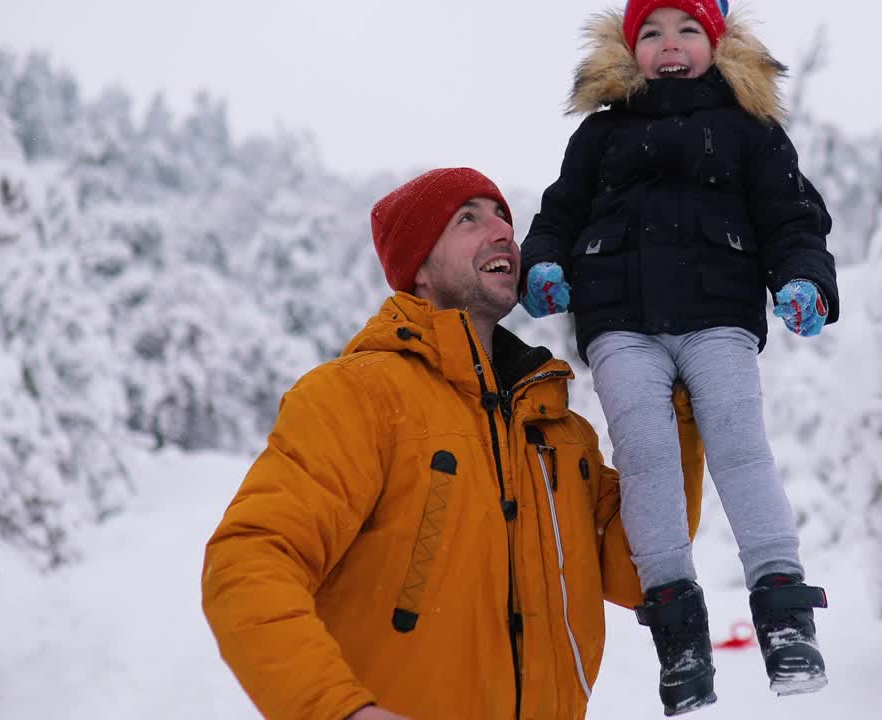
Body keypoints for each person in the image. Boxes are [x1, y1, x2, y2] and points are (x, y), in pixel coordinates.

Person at [201, 167, 705, 720]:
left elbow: (639, 570)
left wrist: (677, 398)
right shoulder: (357, 397)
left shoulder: (560, 433)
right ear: (417, 267)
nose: (502, 233)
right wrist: (336, 710)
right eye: (468, 218)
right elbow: (248, 562)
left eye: (503, 218)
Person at [519, 0, 839, 714]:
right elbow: (558, 216)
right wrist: (541, 267)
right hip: (619, 323)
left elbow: (792, 220)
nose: (670, 45)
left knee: (739, 445)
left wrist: (803, 280)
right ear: (628, 49)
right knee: (646, 457)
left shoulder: (750, 132)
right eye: (652, 33)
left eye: (687, 29)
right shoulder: (600, 135)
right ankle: (678, 632)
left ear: (717, 42)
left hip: (716, 316)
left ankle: (786, 614)